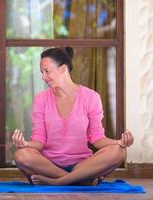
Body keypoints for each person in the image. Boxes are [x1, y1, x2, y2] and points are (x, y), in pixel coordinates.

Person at [12, 47, 134, 186]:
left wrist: (119, 143)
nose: (43, 77)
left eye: (47, 71)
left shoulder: (91, 97)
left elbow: (97, 139)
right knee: (20, 154)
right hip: (49, 165)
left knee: (118, 152)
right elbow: (39, 141)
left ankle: (58, 182)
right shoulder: (41, 99)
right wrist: (25, 144)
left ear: (63, 69)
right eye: (42, 72)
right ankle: (78, 179)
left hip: (83, 164)